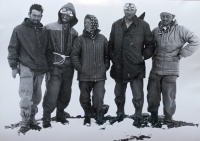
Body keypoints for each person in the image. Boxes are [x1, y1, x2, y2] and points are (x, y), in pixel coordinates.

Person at [7, 4, 53, 134]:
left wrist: (48, 69)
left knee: (36, 97)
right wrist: (13, 66)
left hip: (40, 69)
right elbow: (12, 48)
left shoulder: (44, 32)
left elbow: (49, 51)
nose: (36, 18)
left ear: (41, 16)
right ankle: (24, 122)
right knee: (26, 96)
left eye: (39, 16)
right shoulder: (19, 29)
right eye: (34, 15)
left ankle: (32, 120)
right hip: (26, 67)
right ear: (29, 14)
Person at [147, 12, 200, 124]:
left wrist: (182, 53)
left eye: (168, 16)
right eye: (162, 16)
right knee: (152, 94)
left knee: (169, 95)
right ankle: (153, 116)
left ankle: (168, 118)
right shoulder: (156, 30)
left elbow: (195, 41)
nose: (165, 18)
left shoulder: (181, 30)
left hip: (171, 69)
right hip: (155, 69)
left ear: (173, 17)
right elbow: (150, 46)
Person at [108, 3, 155, 125]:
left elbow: (150, 44)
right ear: (124, 11)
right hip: (119, 66)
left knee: (137, 95)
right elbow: (110, 44)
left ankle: (138, 115)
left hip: (136, 67)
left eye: (132, 10)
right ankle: (120, 113)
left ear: (135, 11)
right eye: (127, 10)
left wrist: (143, 56)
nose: (129, 12)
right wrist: (113, 57)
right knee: (118, 94)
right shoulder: (116, 24)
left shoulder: (143, 25)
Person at [42, 3, 78, 128]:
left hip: (69, 66)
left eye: (69, 13)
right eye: (64, 12)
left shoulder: (75, 32)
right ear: (60, 13)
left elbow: (76, 51)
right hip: (54, 64)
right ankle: (46, 117)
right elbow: (43, 47)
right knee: (52, 91)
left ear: (72, 16)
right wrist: (46, 64)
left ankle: (60, 114)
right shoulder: (49, 27)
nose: (66, 15)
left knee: (66, 92)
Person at [71, 14, 110, 126]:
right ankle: (88, 114)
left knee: (99, 96)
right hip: (84, 75)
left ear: (94, 23)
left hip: (99, 75)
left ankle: (98, 114)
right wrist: (80, 68)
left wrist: (105, 67)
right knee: (84, 98)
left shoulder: (102, 39)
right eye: (85, 23)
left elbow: (107, 55)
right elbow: (74, 55)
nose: (86, 25)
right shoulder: (80, 39)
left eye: (88, 22)